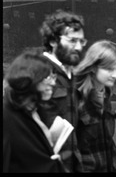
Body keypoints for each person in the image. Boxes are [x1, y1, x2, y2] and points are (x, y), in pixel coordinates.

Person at [38, 9, 86, 172]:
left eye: (81, 41)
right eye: (72, 40)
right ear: (52, 40)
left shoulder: (70, 74)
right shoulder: (37, 71)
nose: (78, 47)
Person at [3, 51, 65, 172]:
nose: (53, 83)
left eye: (53, 77)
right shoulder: (7, 117)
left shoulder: (35, 110)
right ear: (29, 79)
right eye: (47, 78)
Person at [73, 40, 116, 172]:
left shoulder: (106, 94)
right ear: (94, 67)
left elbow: (108, 142)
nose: (114, 74)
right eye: (108, 69)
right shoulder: (74, 96)